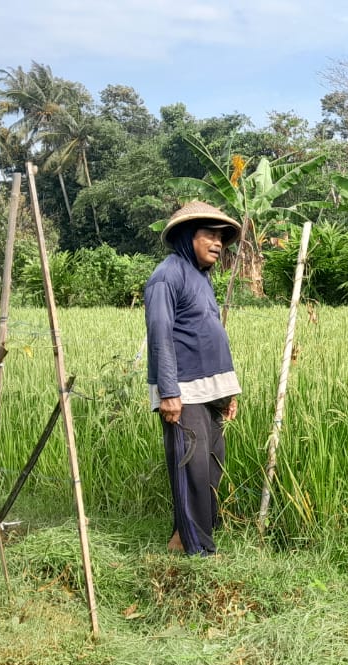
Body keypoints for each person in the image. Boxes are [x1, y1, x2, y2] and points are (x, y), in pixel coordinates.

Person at [145, 201, 242, 556]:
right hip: (184, 392)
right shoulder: (167, 276)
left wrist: (227, 393)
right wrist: (168, 392)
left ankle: (182, 536)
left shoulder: (201, 277)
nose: (218, 243)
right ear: (188, 236)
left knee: (212, 467)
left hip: (209, 390)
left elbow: (208, 336)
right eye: (209, 236)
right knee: (193, 471)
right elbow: (160, 336)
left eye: (221, 238)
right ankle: (199, 550)